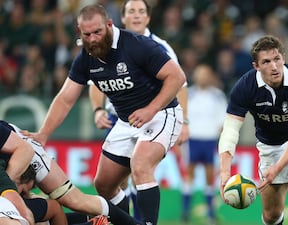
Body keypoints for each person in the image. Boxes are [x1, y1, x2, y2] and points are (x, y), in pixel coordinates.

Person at [23, 4, 186, 225]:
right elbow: (65, 98)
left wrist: (151, 109)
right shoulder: (85, 58)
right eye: (86, 34)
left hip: (162, 114)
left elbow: (176, 77)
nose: (92, 39)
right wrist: (43, 134)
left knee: (140, 164)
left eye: (97, 32)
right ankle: (125, 222)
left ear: (109, 25)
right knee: (103, 184)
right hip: (126, 120)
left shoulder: (137, 45)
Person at [88, 0, 189, 219]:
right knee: (114, 181)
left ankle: (141, 220)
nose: (136, 16)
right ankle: (126, 219)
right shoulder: (106, 45)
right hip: (118, 119)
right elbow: (93, 84)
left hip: (154, 117)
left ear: (148, 18)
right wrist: (97, 109)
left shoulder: (161, 47)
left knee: (140, 168)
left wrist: (184, 123)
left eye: (141, 11)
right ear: (122, 18)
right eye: (131, 11)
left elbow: (179, 84)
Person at [218, 35, 288, 225]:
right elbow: (230, 131)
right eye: (266, 62)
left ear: (283, 58)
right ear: (256, 66)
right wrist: (225, 173)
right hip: (270, 144)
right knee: (272, 215)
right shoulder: (244, 87)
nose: (274, 66)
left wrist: (277, 168)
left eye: (277, 59)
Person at [2, 120, 131, 225]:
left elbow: (24, 150)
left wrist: (11, 193)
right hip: (11, 169)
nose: (27, 193)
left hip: (22, 152)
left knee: (74, 200)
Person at [181, 64, 227, 224]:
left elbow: (223, 119)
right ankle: (185, 212)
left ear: (210, 76)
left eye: (205, 74)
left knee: (209, 176)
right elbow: (182, 116)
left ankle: (210, 213)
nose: (202, 77)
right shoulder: (188, 94)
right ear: (195, 76)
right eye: (200, 74)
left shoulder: (218, 95)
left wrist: (222, 138)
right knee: (189, 174)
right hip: (192, 139)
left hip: (209, 140)